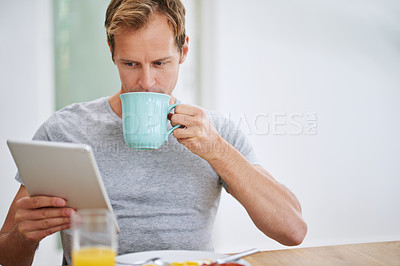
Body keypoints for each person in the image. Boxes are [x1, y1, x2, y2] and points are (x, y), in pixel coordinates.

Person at [0, 0, 307, 265]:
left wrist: (217, 150)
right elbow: (7, 256)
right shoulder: (64, 130)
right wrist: (24, 238)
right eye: (130, 63)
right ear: (111, 51)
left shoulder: (213, 132)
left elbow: (293, 230)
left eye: (160, 63)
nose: (146, 82)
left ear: (183, 50)